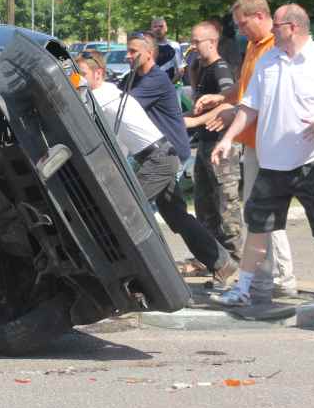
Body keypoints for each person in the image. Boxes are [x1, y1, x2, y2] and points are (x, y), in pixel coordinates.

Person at [210, 4, 314, 307]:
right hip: (272, 165)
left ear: (293, 27)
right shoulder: (268, 60)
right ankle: (243, 290)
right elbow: (249, 107)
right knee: (258, 227)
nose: (272, 30)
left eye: (277, 25)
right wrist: (227, 138)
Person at [76, 50, 236, 285]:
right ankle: (222, 263)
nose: (78, 80)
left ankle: (142, 272)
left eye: (82, 74)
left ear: (98, 73)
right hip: (160, 157)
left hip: (158, 159)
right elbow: (118, 139)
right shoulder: (108, 94)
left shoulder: (102, 97)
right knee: (177, 216)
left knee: (127, 210)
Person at [197, 0, 299, 299]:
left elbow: (266, 98)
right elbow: (245, 89)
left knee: (262, 212)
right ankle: (279, 277)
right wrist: (222, 99)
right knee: (264, 212)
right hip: (255, 142)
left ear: (260, 16)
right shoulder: (254, 46)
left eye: (243, 24)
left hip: (272, 143)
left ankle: (270, 279)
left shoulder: (275, 48)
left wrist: (231, 113)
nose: (240, 30)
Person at [183, 20, 243, 275]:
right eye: (192, 41)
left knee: (226, 207)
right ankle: (211, 259)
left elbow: (230, 103)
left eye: (197, 41)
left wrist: (195, 121)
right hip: (205, 143)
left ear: (212, 42)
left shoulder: (220, 69)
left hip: (221, 145)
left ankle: (235, 262)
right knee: (204, 205)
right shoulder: (202, 67)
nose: (193, 46)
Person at [123, 32, 193, 170]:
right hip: (153, 153)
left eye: (133, 51)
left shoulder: (156, 79)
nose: (127, 56)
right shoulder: (131, 77)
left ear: (149, 53)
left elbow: (124, 105)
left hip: (171, 154)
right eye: (127, 51)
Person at [150, 16, 184, 82]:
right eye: (155, 27)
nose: (158, 29)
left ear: (166, 28)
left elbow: (180, 70)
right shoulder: (146, 46)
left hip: (170, 85)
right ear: (151, 29)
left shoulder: (175, 46)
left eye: (161, 26)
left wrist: (169, 85)